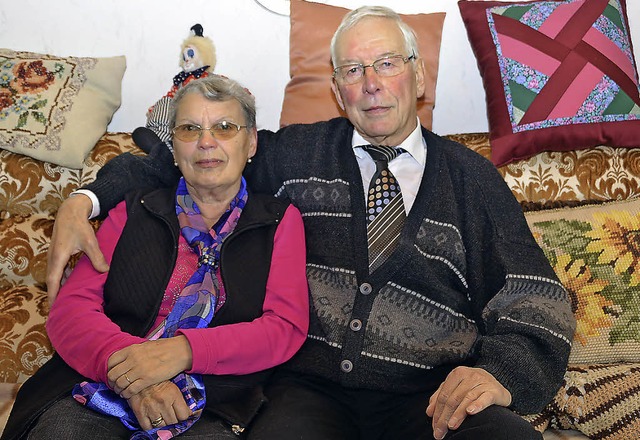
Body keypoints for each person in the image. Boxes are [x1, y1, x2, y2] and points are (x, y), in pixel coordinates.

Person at [43, 6, 576, 440]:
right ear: (339, 92)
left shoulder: (473, 180)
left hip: (430, 394)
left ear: (418, 76)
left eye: (387, 63)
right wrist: (85, 199)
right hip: (308, 392)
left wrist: (499, 374)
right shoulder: (295, 154)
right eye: (352, 70)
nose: (370, 84)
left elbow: (536, 296)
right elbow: (186, 154)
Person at [1, 75, 309, 440]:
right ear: (174, 148)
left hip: (212, 402)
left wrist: (183, 352)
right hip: (99, 387)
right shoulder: (135, 209)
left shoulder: (278, 220)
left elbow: (283, 328)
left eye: (225, 128)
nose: (206, 142)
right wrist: (137, 375)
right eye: (190, 129)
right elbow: (72, 312)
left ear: (252, 141)